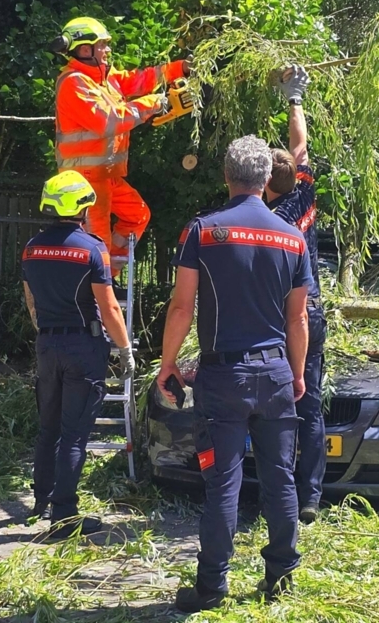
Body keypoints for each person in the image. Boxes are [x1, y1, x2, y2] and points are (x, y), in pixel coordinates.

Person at [157, 135, 314, 612]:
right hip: (275, 375)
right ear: (267, 181)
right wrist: (298, 374)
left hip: (223, 378)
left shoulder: (203, 231)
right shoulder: (292, 237)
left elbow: (183, 306)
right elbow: (298, 319)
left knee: (222, 482)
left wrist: (168, 365)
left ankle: (211, 587)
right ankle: (281, 575)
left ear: (226, 177)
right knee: (280, 479)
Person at [22, 171, 135, 540]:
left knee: (48, 428)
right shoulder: (91, 248)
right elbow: (110, 308)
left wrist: (45, 333)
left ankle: (42, 499)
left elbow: (31, 301)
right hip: (83, 348)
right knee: (73, 435)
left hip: (47, 345)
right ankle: (65, 517)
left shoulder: (32, 247)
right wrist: (125, 350)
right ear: (82, 208)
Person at [51, 16, 190, 268]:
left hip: (106, 177)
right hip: (85, 180)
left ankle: (107, 277)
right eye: (102, 45)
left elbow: (140, 79)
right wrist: (155, 104)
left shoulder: (105, 78)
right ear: (84, 49)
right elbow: (108, 120)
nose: (108, 50)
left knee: (137, 216)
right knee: (97, 244)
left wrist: (180, 69)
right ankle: (96, 290)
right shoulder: (73, 83)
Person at [266, 65, 326, 524]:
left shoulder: (263, 222)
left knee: (275, 406)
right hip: (310, 314)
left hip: (275, 318)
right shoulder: (303, 198)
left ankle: (276, 490)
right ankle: (309, 498)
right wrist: (295, 99)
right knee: (310, 404)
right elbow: (300, 148)